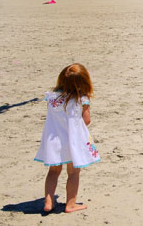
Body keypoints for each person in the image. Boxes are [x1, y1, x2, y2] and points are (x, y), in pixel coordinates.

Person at [34, 63, 101, 212]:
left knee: (53, 172)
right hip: (73, 142)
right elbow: (87, 120)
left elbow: (53, 116)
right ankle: (70, 204)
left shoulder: (52, 98)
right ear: (84, 82)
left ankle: (48, 202)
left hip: (54, 139)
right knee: (73, 172)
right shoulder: (82, 99)